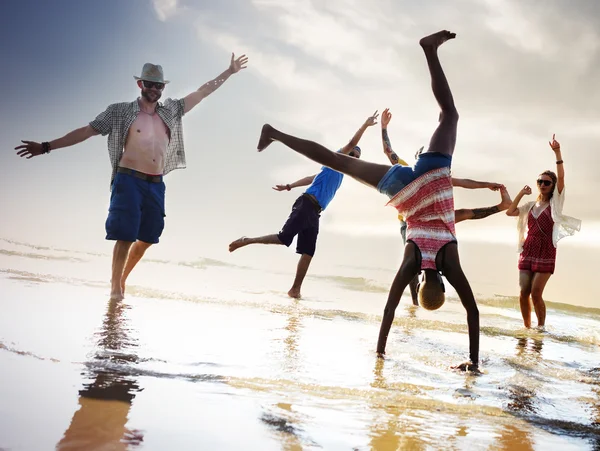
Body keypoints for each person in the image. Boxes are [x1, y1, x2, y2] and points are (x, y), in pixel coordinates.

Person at [254, 30, 480, 371]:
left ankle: (429, 50)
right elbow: (389, 309)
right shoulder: (413, 261)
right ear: (420, 284)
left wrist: (475, 361)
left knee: (449, 115)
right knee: (338, 161)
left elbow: (472, 311)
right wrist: (379, 355)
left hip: (430, 174)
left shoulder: (449, 260)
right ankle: (276, 134)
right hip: (402, 190)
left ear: (443, 287)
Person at [15, 53, 249, 300]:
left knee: (148, 237)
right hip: (128, 180)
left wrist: (229, 72)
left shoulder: (172, 110)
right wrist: (47, 146)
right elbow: (86, 131)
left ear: (162, 88)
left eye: (159, 85)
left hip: (156, 183)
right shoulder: (119, 111)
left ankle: (122, 277)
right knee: (125, 235)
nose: (154, 90)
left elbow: (203, 91)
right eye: (149, 84)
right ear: (140, 85)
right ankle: (116, 289)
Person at [229, 112, 379, 299]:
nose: (354, 157)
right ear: (345, 152)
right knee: (284, 239)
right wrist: (365, 125)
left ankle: (295, 290)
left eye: (357, 157)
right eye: (352, 153)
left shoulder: (339, 174)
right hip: (307, 203)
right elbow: (351, 142)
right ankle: (247, 241)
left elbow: (311, 178)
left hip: (315, 212)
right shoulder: (335, 161)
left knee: (308, 252)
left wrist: (290, 185)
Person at [380, 108, 512, 305]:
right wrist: (383, 128)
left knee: (465, 213)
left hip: (437, 217)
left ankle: (501, 206)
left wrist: (486, 184)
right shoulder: (407, 171)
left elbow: (462, 181)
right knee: (412, 265)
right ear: (418, 158)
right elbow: (388, 152)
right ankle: (417, 302)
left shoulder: (437, 176)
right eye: (422, 155)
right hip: (412, 224)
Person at [506, 135, 581, 328]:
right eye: (540, 181)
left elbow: (562, 177)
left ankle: (540, 329)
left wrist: (557, 152)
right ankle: (527, 328)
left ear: (553, 186)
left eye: (547, 182)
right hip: (528, 248)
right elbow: (510, 212)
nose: (542, 184)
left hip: (546, 248)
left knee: (536, 293)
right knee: (523, 292)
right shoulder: (530, 205)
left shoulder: (556, 203)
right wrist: (521, 193)